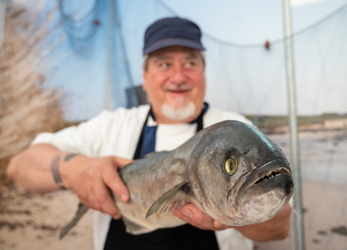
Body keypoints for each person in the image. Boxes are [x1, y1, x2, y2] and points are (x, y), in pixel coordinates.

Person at [7, 17, 292, 250]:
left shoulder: (235, 128)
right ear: (145, 76)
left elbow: (280, 229)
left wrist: (245, 213)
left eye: (190, 63)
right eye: (164, 63)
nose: (178, 76)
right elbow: (19, 167)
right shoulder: (112, 125)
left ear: (204, 71)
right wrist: (74, 170)